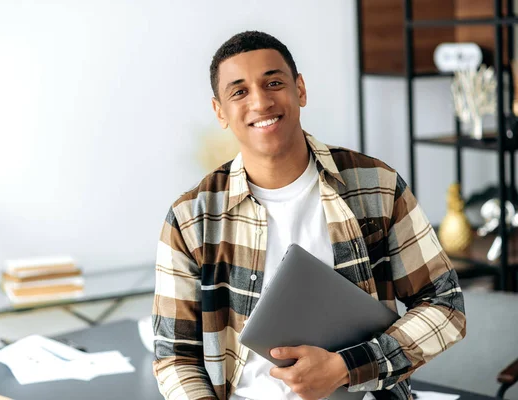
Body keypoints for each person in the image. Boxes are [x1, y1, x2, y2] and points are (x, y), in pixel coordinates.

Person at [152, 31, 466, 400]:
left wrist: (347, 367)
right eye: (239, 91)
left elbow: (445, 304)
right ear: (220, 111)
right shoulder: (192, 218)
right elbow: (174, 356)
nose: (261, 101)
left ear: (299, 89)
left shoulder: (376, 186)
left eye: (274, 82)